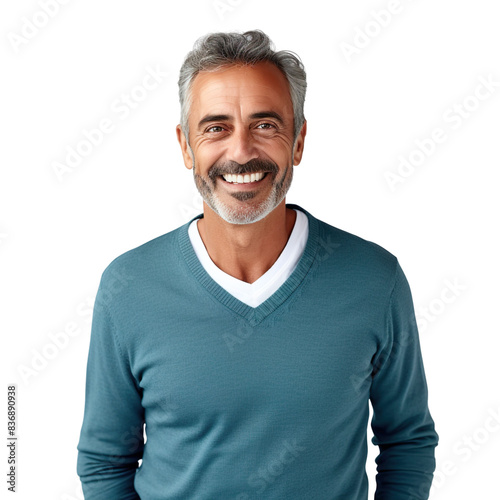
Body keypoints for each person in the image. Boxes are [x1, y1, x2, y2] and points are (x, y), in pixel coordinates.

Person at [77, 29, 438, 499]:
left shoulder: (375, 280)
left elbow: (407, 442)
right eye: (216, 127)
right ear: (186, 146)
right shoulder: (128, 287)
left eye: (265, 125)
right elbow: (105, 463)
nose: (241, 150)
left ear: (299, 141)